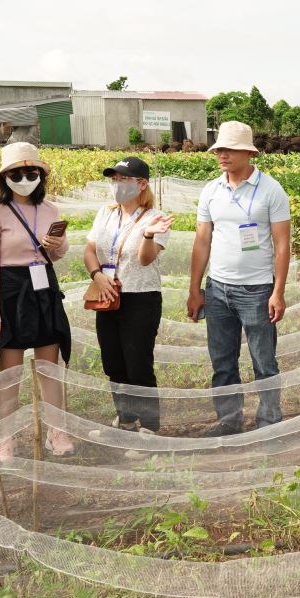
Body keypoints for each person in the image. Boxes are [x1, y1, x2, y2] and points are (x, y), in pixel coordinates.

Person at [185, 121, 292, 436]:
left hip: (258, 290)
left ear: (248, 152)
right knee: (222, 360)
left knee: (264, 361)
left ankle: (269, 422)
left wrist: (278, 292)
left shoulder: (271, 190)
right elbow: (202, 241)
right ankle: (229, 420)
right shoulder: (211, 190)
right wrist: (195, 289)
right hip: (217, 289)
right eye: (219, 149)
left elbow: (282, 245)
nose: (222, 154)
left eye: (229, 149)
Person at [0, 142, 73, 457]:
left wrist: (57, 244)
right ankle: (5, 436)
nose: (24, 178)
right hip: (11, 289)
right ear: (5, 177)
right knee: (10, 369)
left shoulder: (49, 209)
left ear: (40, 175)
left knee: (50, 365)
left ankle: (56, 432)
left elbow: (57, 254)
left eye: (31, 172)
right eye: (16, 173)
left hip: (43, 285)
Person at [84, 155, 175, 431]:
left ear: (141, 184)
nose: (117, 184)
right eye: (114, 179)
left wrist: (147, 235)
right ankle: (126, 418)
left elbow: (145, 259)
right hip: (107, 293)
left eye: (124, 179)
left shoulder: (155, 218)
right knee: (113, 361)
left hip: (140, 296)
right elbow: (90, 249)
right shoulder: (106, 213)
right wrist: (97, 276)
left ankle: (149, 425)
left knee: (138, 363)